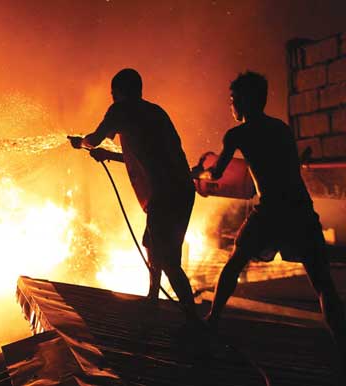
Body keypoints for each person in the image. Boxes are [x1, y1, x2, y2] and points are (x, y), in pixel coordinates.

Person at [201, 71, 346, 370]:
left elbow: (217, 175)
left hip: (271, 211)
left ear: (243, 101)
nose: (231, 106)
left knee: (235, 261)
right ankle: (342, 343)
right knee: (323, 285)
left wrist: (200, 174)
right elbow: (286, 167)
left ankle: (212, 320)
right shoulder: (280, 128)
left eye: (232, 100)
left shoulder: (237, 134)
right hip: (300, 208)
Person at [69, 68, 198, 320]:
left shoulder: (120, 110)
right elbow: (147, 155)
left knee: (169, 260)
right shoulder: (155, 112)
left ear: (118, 92)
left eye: (113, 93)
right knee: (152, 243)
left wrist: (80, 143)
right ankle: (153, 298)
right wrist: (109, 155)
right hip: (181, 189)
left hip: (165, 193)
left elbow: (94, 139)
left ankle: (192, 317)